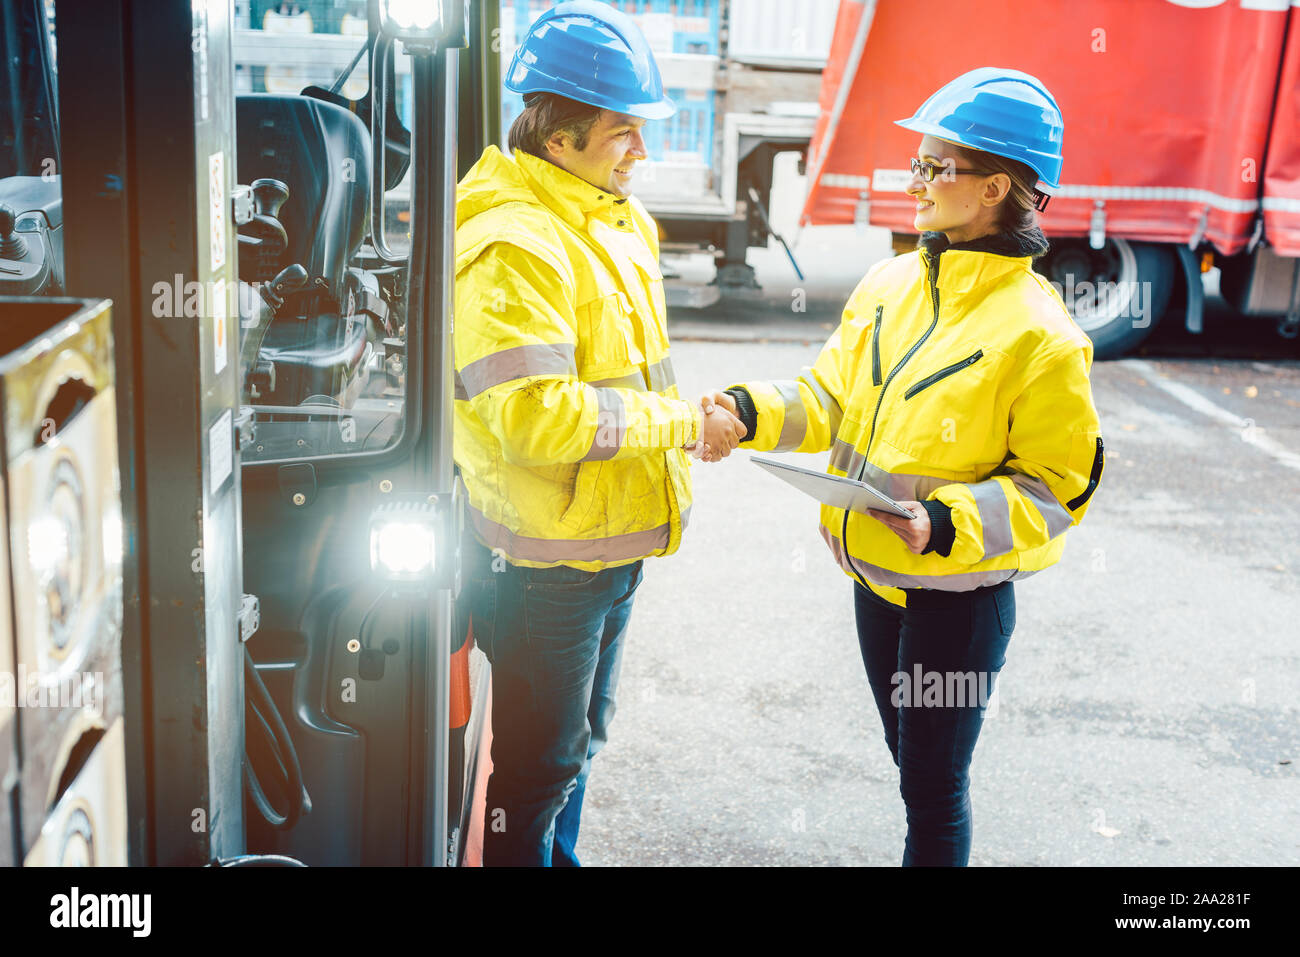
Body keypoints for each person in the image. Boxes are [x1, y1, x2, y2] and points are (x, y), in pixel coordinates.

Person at [702, 68, 1105, 866]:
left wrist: (948, 522)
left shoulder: (1042, 335)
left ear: (993, 187)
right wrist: (746, 412)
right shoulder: (890, 284)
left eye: (933, 167)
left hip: (955, 602)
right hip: (875, 583)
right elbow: (828, 395)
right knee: (913, 770)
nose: (914, 181)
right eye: (916, 164)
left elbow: (1058, 485)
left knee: (932, 790)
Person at [453, 0, 746, 866]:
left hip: (608, 543)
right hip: (550, 564)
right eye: (624, 132)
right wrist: (684, 425)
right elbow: (534, 417)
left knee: (578, 749)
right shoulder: (514, 243)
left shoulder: (611, 218)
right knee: (540, 768)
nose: (642, 151)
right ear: (558, 138)